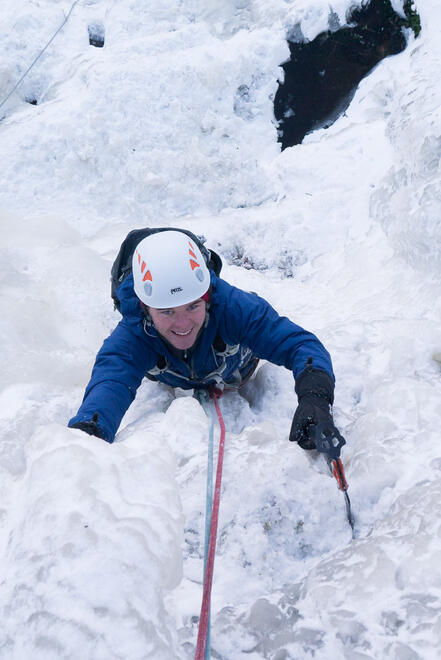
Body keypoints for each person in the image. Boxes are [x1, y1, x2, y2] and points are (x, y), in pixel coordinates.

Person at [68, 229, 341, 449]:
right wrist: (90, 433)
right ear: (145, 307)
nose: (183, 323)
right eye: (167, 311)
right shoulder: (134, 332)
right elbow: (112, 379)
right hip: (173, 374)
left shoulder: (233, 307)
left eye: (193, 306)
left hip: (237, 367)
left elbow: (299, 344)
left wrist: (314, 397)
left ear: (208, 296)